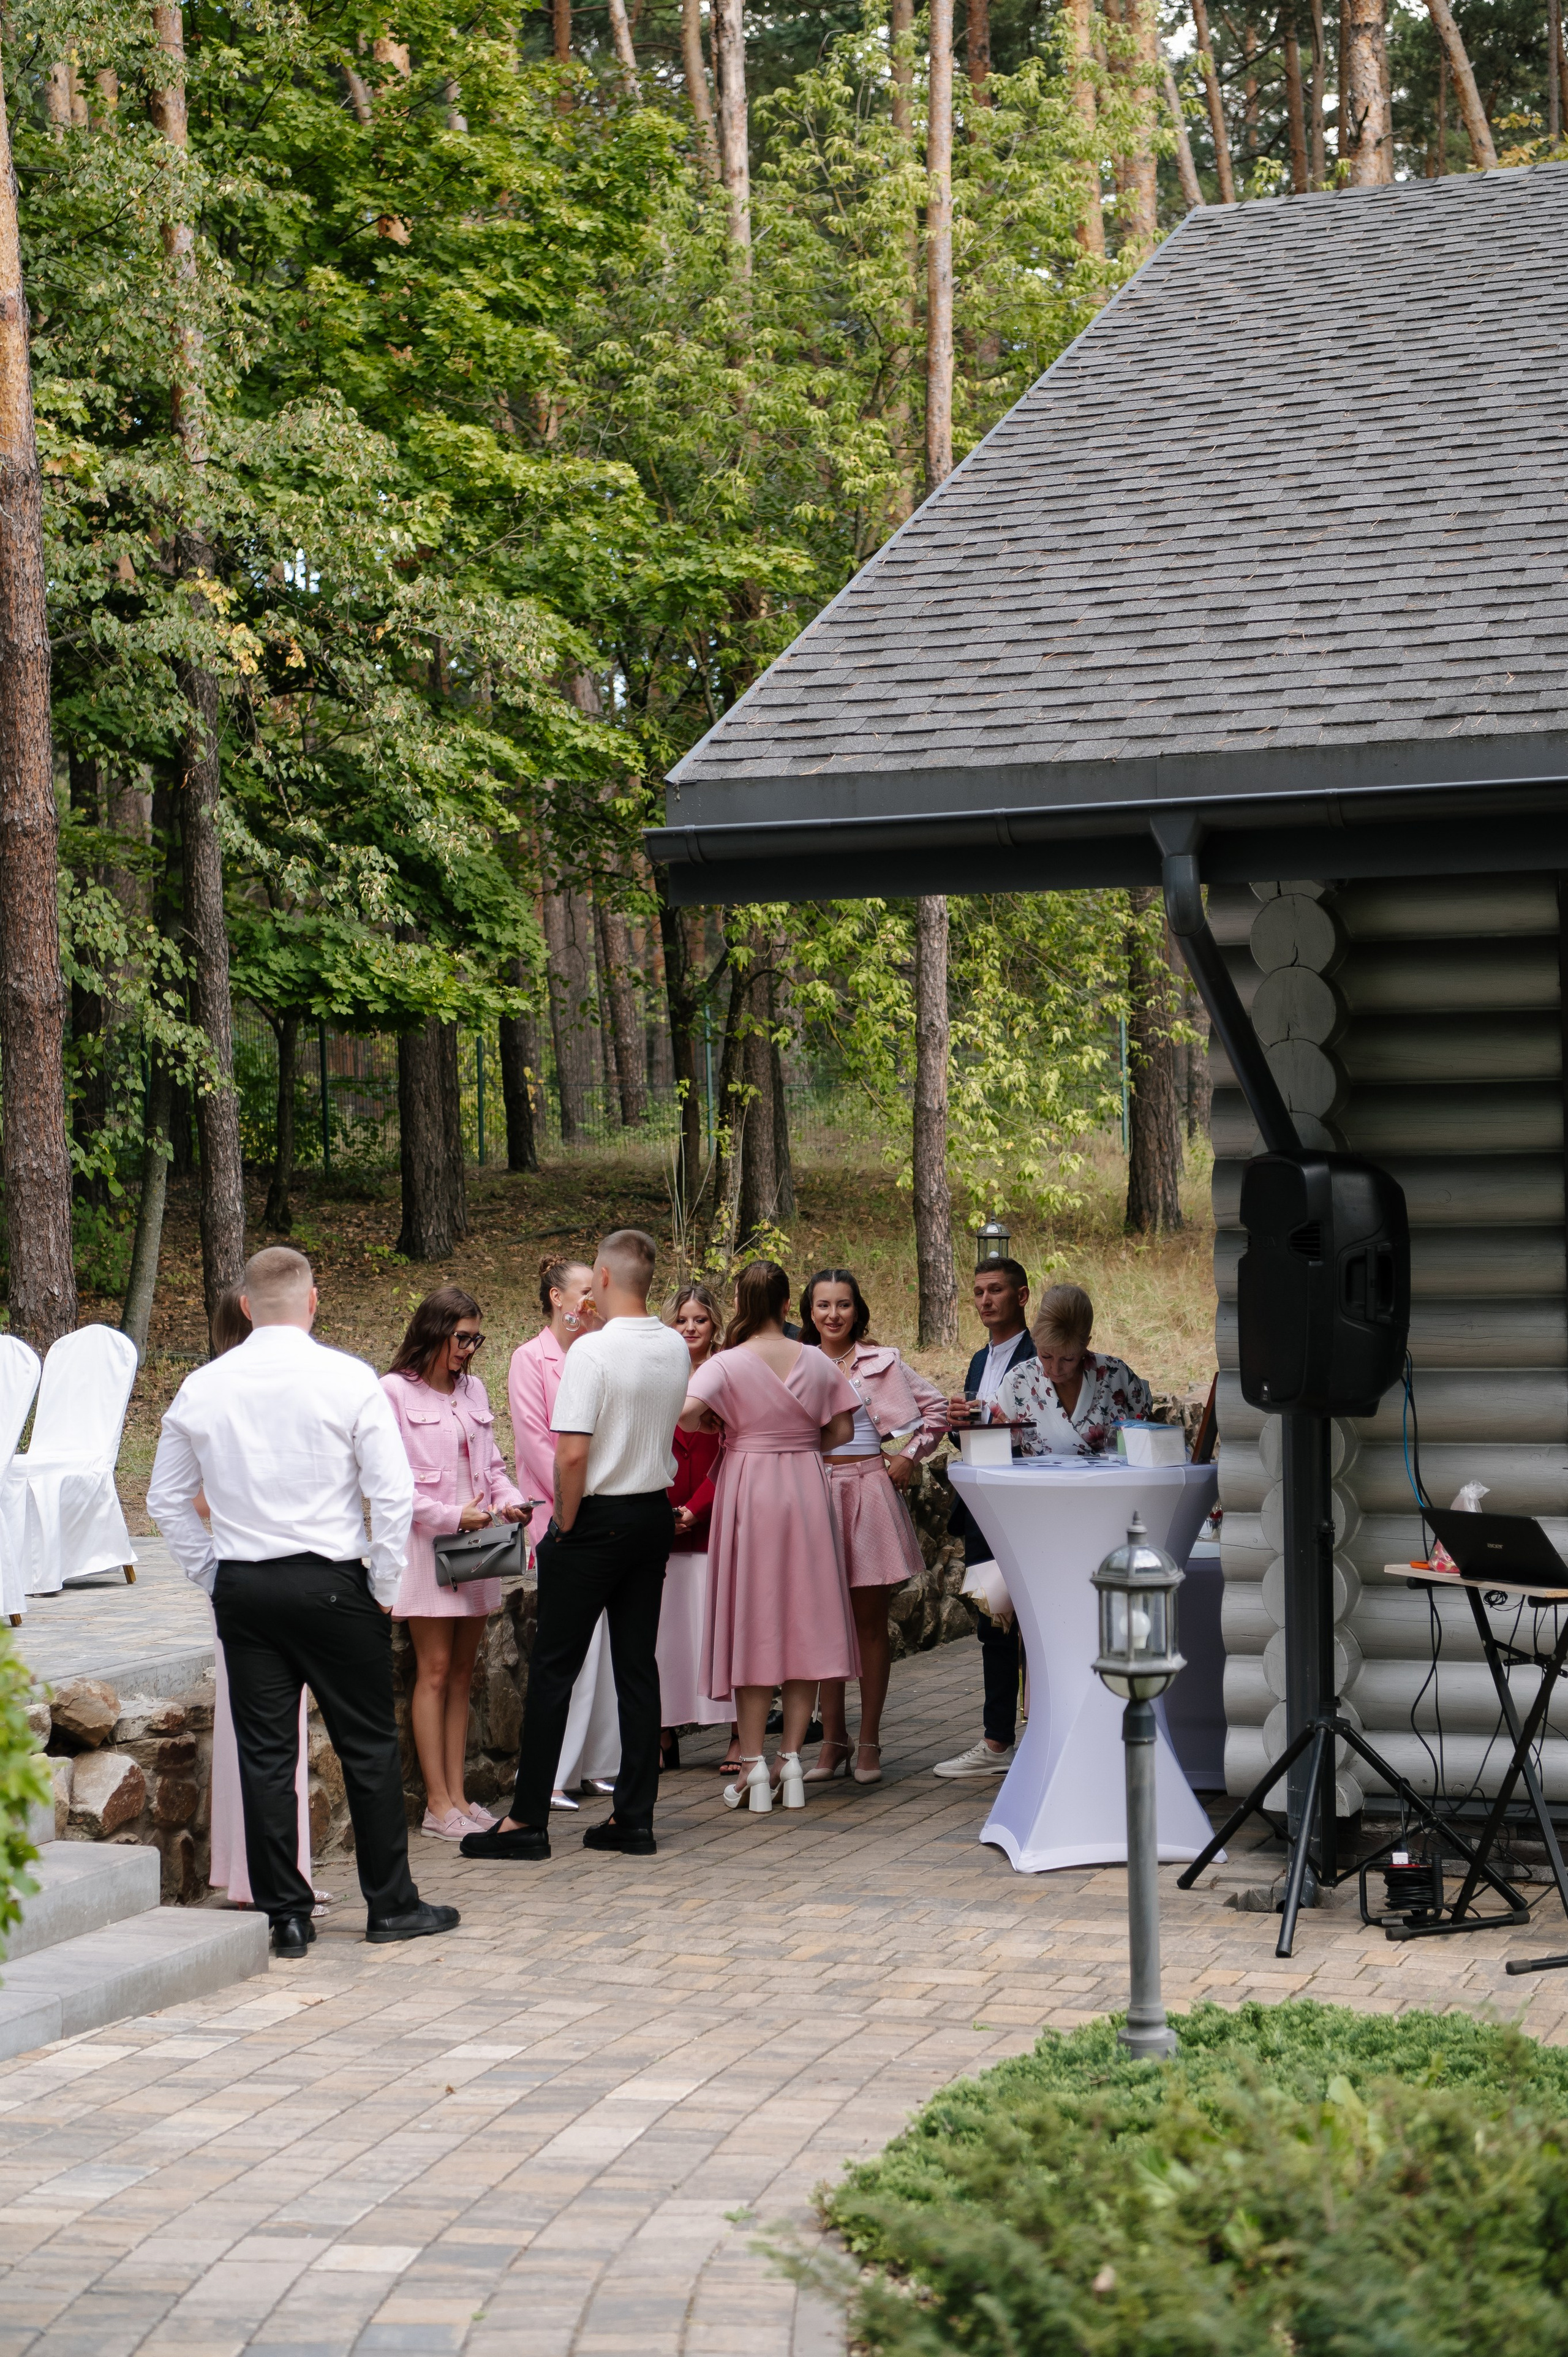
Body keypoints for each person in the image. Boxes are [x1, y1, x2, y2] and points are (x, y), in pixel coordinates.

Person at [147, 1245, 455, 1957]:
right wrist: (382, 1585)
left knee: (265, 1755)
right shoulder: (349, 1379)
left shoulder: (202, 1385)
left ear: (248, 1307)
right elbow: (392, 1490)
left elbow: (165, 1498)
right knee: (369, 1746)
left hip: (247, 1587)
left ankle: (287, 1914)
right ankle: (391, 1905)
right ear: (311, 1301)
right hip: (331, 1582)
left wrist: (211, 1572)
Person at [462, 1229, 691, 1862]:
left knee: (554, 1669)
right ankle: (634, 1816)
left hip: (595, 1515)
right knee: (637, 1668)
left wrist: (563, 1523)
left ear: (607, 1279)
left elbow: (571, 1452)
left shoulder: (591, 1354)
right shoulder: (674, 1345)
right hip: (651, 1511)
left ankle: (527, 1820)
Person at [680, 1261, 858, 1817]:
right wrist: (802, 1439)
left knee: (753, 1621)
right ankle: (792, 1760)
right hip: (804, 1488)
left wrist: (718, 1424)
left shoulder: (727, 1364)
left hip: (750, 1490)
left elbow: (682, 1415)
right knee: (805, 1620)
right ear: (789, 1305)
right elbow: (844, 1429)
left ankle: (753, 1764)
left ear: (740, 1303)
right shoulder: (814, 1359)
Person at [382, 1285, 528, 1839]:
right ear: (434, 1332)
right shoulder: (394, 1392)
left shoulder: (474, 1390)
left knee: (464, 1676)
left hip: (478, 1546)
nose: (470, 1349)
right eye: (461, 1338)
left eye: (475, 1338)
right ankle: (436, 1805)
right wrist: (450, 1515)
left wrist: (509, 1500)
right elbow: (392, 1488)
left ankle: (461, 1798)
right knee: (436, 1671)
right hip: (427, 1547)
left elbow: (493, 1467)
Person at [800, 1270, 947, 1786]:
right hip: (813, 1494)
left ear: (857, 1310)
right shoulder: (797, 1362)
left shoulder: (883, 1362)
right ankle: (831, 1741)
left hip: (866, 1488)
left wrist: (908, 1457)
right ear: (809, 1311)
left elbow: (937, 1412)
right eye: (823, 1305)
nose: (833, 1315)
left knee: (868, 1623)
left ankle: (869, 1741)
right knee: (822, 1622)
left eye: (842, 1305)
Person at [204, 1286, 317, 1914]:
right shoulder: (222, 1395)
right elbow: (194, 1498)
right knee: (262, 1740)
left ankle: (280, 1870)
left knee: (280, 1738)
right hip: (246, 1578)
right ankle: (261, 1877)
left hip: (256, 1581)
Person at [508, 1259, 620, 1811]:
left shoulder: (601, 1352)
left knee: (604, 1648)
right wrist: (572, 1504)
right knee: (568, 1647)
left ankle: (597, 1764)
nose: (591, 1302)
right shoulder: (531, 1360)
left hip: (606, 1510)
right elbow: (535, 1444)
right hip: (558, 1514)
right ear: (557, 1298)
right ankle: (552, 1773)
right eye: (582, 1292)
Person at [933, 1257, 1037, 1783]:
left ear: (1022, 1296)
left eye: (995, 1290)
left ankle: (1043, 1733)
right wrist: (959, 1424)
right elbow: (977, 1438)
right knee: (991, 1623)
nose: (984, 1301)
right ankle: (996, 1740)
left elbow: (1039, 1432)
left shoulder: (1042, 1356)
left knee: (1039, 1625)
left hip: (1030, 1508)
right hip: (982, 1509)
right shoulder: (979, 1360)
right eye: (977, 1292)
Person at [655, 1283, 731, 1772]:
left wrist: (698, 1508)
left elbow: (732, 1449)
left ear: (714, 1325)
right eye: (682, 1320)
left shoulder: (727, 1373)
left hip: (714, 1519)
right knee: (665, 1634)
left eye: (699, 1320)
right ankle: (661, 1734)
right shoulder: (658, 1372)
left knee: (718, 1627)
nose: (690, 1328)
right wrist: (665, 1511)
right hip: (662, 1519)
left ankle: (735, 1735)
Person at [995, 1282, 1153, 1455]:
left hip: (1111, 1482)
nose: (1055, 1368)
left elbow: (1148, 1439)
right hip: (1040, 1482)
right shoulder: (1019, 1380)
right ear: (1036, 1340)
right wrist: (971, 1422)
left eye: (1068, 1358)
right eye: (1046, 1356)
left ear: (1086, 1344)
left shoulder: (1116, 1374)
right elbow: (994, 1447)